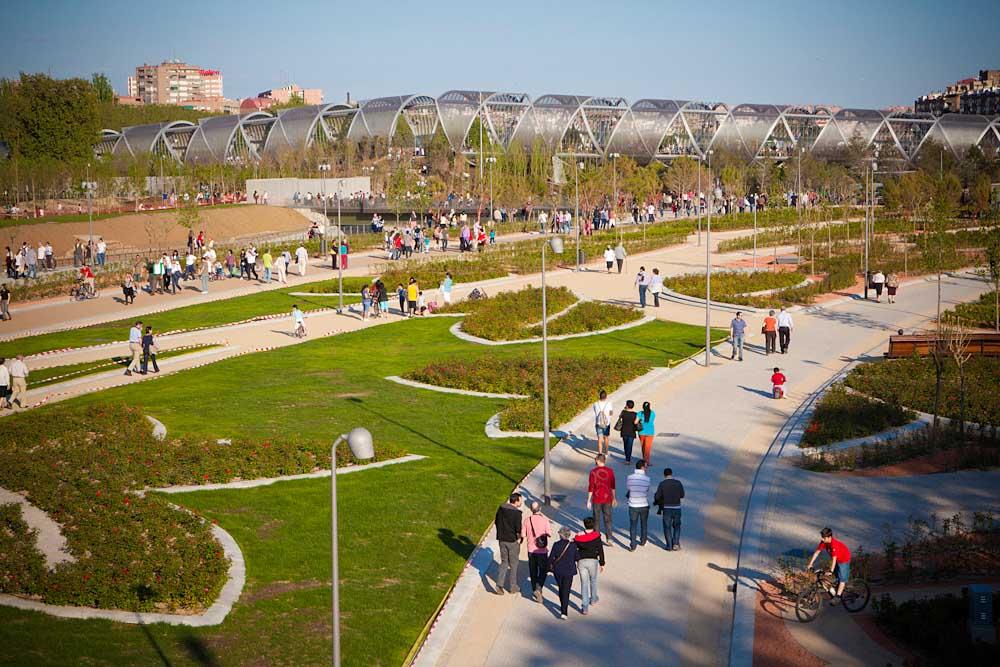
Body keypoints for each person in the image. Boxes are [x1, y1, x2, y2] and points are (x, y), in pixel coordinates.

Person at [805, 527, 852, 605]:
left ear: (829, 537)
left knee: (842, 579)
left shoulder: (834, 544)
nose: (822, 539)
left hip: (844, 559)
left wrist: (831, 571)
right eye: (822, 537)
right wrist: (810, 563)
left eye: (824, 538)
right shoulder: (823, 542)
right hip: (837, 559)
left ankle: (838, 597)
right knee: (836, 577)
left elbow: (834, 559)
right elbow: (817, 552)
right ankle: (837, 589)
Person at [574, 517, 606, 615]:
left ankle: (585, 607)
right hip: (593, 561)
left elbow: (574, 548)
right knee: (593, 580)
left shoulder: (578, 536)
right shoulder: (596, 536)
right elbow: (600, 550)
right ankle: (593, 599)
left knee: (584, 583)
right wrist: (602, 563)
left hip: (581, 561)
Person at [494, 493, 523, 595]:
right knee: (514, 564)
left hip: (502, 540)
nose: (521, 502)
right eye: (520, 500)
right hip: (512, 541)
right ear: (516, 501)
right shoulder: (517, 514)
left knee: (504, 562)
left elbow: (496, 522)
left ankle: (499, 585)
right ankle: (513, 586)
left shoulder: (501, 509)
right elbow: (518, 529)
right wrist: (519, 538)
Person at [522, 501, 551, 602]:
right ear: (540, 509)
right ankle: (539, 588)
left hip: (531, 550)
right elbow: (548, 534)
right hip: (542, 550)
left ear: (531, 509)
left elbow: (523, 535)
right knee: (543, 571)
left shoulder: (526, 520)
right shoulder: (545, 520)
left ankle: (535, 589)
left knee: (533, 571)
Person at [547, 526, 578, 619]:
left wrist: (548, 568)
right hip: (569, 571)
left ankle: (563, 607)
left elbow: (551, 557)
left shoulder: (556, 544)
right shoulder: (573, 545)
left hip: (558, 570)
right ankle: (564, 611)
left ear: (561, 535)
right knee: (566, 590)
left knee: (561, 588)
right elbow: (577, 557)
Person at [587, 454, 616, 545]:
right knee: (608, 519)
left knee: (596, 519)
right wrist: (614, 498)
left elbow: (591, 487)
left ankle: (596, 538)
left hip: (597, 498)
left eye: (596, 459)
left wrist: (588, 500)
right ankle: (609, 538)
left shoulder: (593, 472)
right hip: (607, 498)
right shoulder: (610, 471)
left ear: (598, 461)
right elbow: (613, 486)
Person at [653, 467, 685, 551]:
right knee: (677, 526)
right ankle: (675, 543)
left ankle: (669, 546)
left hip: (667, 508)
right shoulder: (678, 483)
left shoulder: (662, 484)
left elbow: (657, 496)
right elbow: (682, 495)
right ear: (671, 474)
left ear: (664, 475)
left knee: (667, 527)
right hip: (677, 507)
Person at [626, 460, 650, 551]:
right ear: (643, 467)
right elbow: (647, 489)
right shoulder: (647, 479)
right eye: (646, 466)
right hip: (644, 504)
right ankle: (643, 541)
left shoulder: (630, 477)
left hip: (633, 504)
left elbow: (628, 488)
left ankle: (633, 545)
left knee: (633, 525)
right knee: (644, 524)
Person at [615, 399, 639, 463]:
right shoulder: (635, 414)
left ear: (627, 406)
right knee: (630, 446)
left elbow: (620, 416)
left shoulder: (623, 412)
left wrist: (625, 409)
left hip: (624, 431)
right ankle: (628, 460)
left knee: (625, 445)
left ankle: (627, 457)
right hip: (632, 432)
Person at [593, 389, 614, 456]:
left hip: (598, 423)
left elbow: (595, 413)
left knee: (599, 438)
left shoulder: (595, 404)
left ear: (599, 396)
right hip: (606, 423)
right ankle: (606, 452)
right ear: (606, 396)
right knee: (606, 438)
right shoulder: (609, 403)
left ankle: (600, 453)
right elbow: (611, 413)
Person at [637, 401, 656, 467]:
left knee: (643, 446)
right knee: (647, 447)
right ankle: (646, 462)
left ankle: (644, 459)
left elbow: (635, 422)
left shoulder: (640, 413)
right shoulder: (653, 413)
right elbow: (652, 420)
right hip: (650, 432)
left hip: (641, 432)